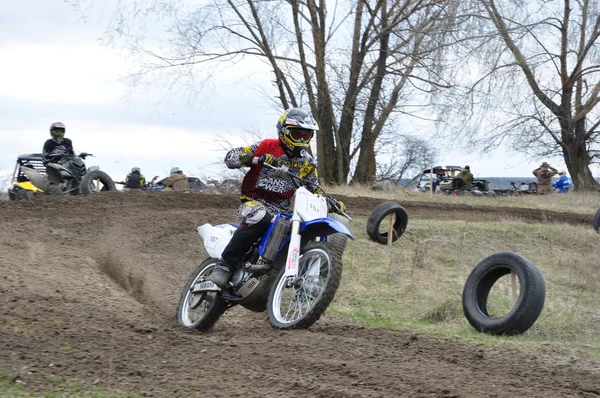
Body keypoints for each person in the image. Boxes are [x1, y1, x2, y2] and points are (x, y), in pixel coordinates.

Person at [209, 107, 346, 288]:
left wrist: (328, 201)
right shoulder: (267, 146)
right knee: (260, 216)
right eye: (298, 135)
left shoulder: (307, 162)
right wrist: (257, 159)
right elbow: (231, 157)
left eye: (307, 135)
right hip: (253, 202)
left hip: (281, 211)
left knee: (302, 230)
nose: (303, 140)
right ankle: (225, 264)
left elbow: (313, 188)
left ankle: (304, 278)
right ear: (284, 132)